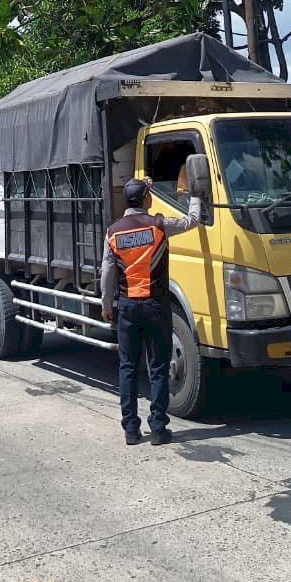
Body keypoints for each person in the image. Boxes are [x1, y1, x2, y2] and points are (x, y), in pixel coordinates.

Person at [101, 176, 201, 446]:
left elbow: (108, 273)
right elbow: (192, 221)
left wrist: (106, 304)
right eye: (149, 193)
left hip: (127, 309)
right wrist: (196, 194)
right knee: (157, 367)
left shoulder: (114, 232)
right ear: (145, 199)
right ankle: (158, 428)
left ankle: (131, 430)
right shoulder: (158, 225)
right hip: (156, 306)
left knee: (128, 368)